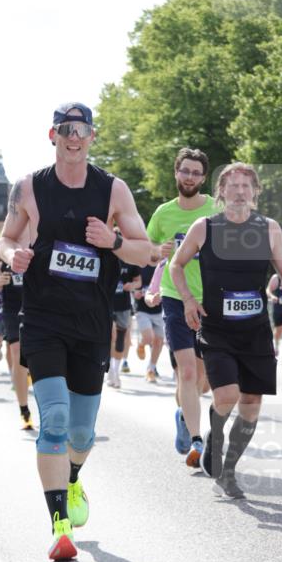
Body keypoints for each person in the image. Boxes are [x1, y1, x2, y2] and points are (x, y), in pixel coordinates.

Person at [0, 101, 151, 561]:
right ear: (53, 135)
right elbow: (4, 239)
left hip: (90, 324)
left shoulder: (113, 190)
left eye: (81, 129)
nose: (74, 136)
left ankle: (74, 478)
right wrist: (11, 257)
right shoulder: (28, 187)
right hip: (43, 319)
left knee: (82, 435)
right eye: (66, 128)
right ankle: (60, 525)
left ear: (92, 137)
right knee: (56, 420)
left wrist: (115, 242)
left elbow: (145, 252)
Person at [170, 163, 282, 499]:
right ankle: (214, 437)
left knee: (252, 402)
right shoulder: (205, 228)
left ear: (255, 192)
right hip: (216, 327)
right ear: (222, 192)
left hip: (255, 330)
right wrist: (187, 300)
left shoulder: (269, 228)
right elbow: (176, 264)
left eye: (247, 186)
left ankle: (228, 470)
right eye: (233, 186)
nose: (240, 192)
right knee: (227, 396)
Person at [146, 148, 215, 467]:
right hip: (176, 297)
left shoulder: (218, 209)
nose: (189, 177)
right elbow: (148, 252)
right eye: (184, 171)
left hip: (212, 301)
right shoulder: (163, 213)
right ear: (176, 173)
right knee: (186, 372)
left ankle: (183, 414)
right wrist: (155, 252)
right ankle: (197, 440)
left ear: (203, 178)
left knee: (203, 380)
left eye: (195, 173)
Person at [0, 239, 35, 429]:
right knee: (17, 353)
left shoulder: (40, 234)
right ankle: (24, 411)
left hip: (40, 306)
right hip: (12, 308)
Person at [107, 260, 141, 388]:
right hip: (108, 304)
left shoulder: (131, 259)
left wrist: (132, 285)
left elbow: (139, 281)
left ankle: (115, 371)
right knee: (112, 336)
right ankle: (110, 368)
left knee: (121, 338)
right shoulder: (109, 253)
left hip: (124, 306)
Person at [135, 264, 165, 382]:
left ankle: (151, 369)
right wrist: (135, 292)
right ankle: (142, 343)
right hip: (142, 309)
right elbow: (135, 283)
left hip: (158, 311)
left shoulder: (163, 267)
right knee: (149, 337)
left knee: (159, 341)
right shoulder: (141, 264)